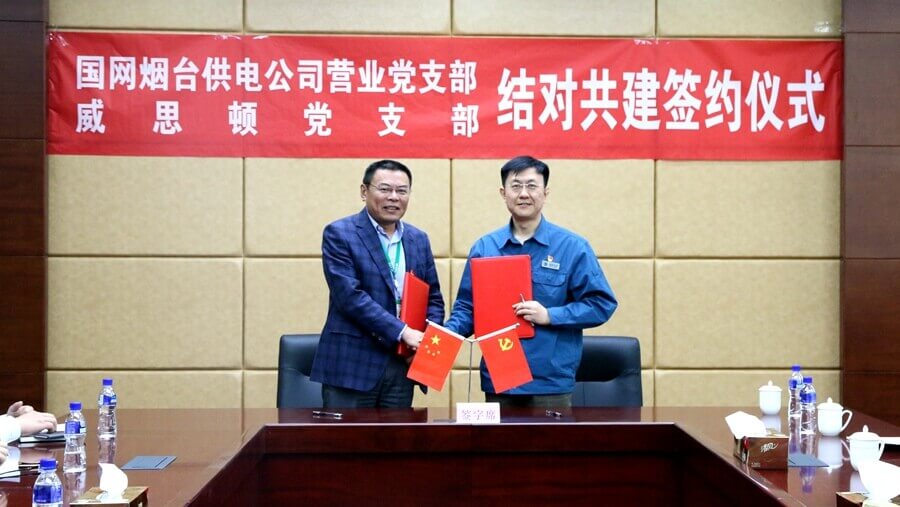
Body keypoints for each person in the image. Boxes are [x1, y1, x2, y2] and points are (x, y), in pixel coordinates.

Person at [445, 155, 618, 408]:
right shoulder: (485, 247)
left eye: (532, 186)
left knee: (548, 436)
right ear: (503, 193)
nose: (523, 193)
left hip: (550, 382)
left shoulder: (572, 247)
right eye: (516, 186)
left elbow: (601, 304)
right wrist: (444, 336)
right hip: (500, 378)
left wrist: (550, 315)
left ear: (545, 193)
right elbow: (467, 308)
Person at [311, 159, 445, 408]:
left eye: (402, 191)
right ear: (364, 191)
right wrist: (404, 332)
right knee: (350, 435)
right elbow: (350, 297)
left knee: (398, 434)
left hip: (402, 365)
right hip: (352, 365)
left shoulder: (418, 239)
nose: (394, 197)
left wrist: (425, 346)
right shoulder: (340, 233)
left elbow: (433, 298)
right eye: (384, 189)